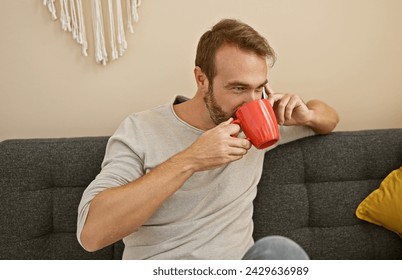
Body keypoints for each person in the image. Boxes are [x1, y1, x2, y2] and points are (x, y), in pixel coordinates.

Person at [77, 18, 339, 260]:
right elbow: (92, 234)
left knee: (281, 252)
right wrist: (191, 159)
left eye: (258, 88)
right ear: (202, 79)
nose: (251, 101)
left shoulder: (258, 123)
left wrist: (308, 115)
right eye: (238, 88)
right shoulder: (142, 129)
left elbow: (330, 119)